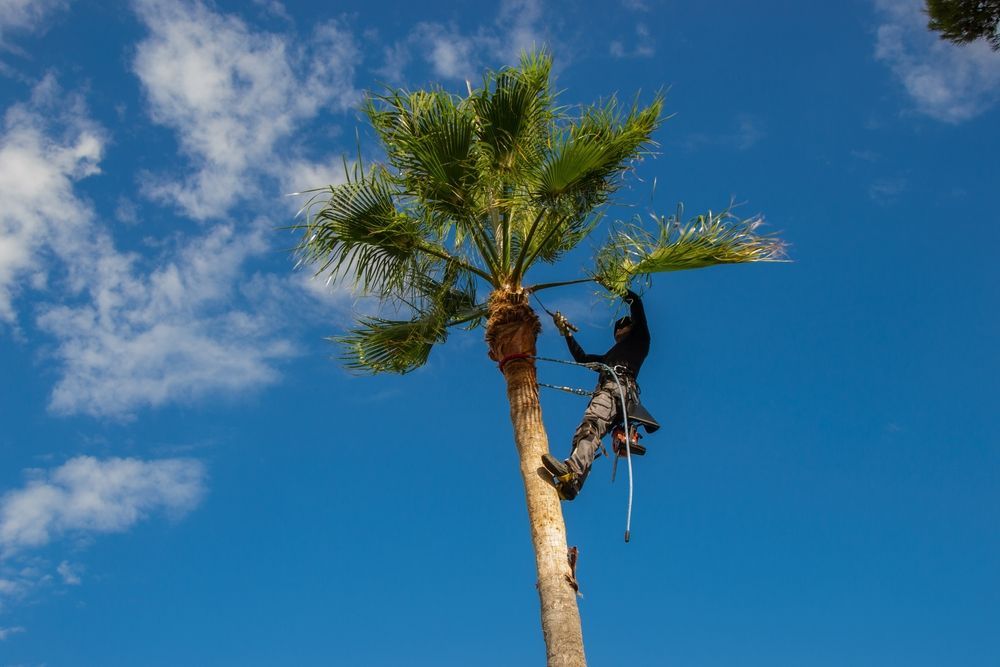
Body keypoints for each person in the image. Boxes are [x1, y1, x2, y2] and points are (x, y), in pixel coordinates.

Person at [541, 289, 658, 500]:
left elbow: (636, 304)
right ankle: (573, 484)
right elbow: (582, 358)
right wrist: (566, 334)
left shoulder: (640, 340)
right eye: (618, 328)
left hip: (616, 391)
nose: (619, 330)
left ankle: (573, 470)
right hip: (616, 393)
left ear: (631, 328)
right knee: (588, 430)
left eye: (624, 326)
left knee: (591, 424)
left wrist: (619, 288)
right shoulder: (608, 357)